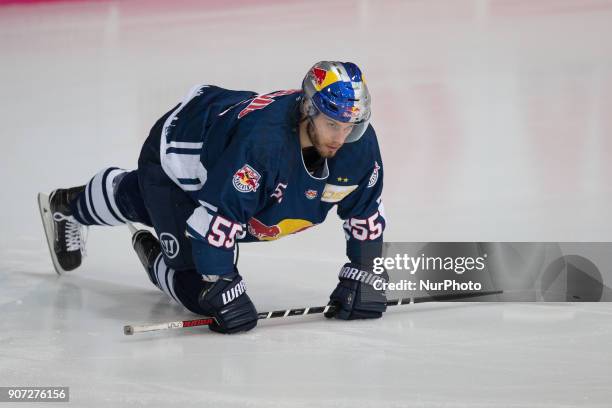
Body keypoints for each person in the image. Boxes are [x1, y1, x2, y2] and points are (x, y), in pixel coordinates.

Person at [38, 61, 388, 334]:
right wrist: (221, 282)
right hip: (179, 159)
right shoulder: (262, 147)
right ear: (309, 110)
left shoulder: (358, 145)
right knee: (204, 292)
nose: (342, 137)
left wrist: (365, 271)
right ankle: (82, 214)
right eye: (333, 124)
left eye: (351, 125)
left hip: (228, 155)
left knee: (186, 218)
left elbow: (365, 213)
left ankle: (112, 213)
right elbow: (214, 228)